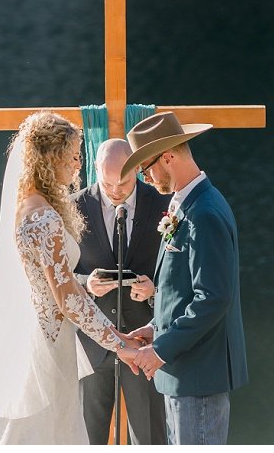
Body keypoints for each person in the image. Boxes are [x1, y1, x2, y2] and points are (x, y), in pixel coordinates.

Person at [0, 111, 145, 445]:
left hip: (50, 337)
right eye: (71, 157)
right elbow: (67, 296)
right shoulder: (42, 217)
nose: (76, 166)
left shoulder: (34, 205)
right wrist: (119, 345)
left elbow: (67, 287)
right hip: (46, 343)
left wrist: (118, 336)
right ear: (50, 157)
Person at [119, 112, 248, 444]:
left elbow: (213, 298)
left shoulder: (204, 213)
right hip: (184, 373)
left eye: (146, 169)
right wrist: (154, 328)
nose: (145, 178)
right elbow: (183, 289)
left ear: (168, 157)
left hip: (198, 377)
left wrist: (160, 350)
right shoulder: (187, 205)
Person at [71, 139, 169, 444]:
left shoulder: (163, 204)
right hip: (91, 345)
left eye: (124, 182)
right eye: (107, 181)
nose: (115, 190)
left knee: (151, 436)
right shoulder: (74, 206)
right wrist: (87, 283)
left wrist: (155, 289)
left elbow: (180, 271)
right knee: (87, 437)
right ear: (95, 169)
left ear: (137, 170)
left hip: (143, 343)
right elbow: (56, 274)